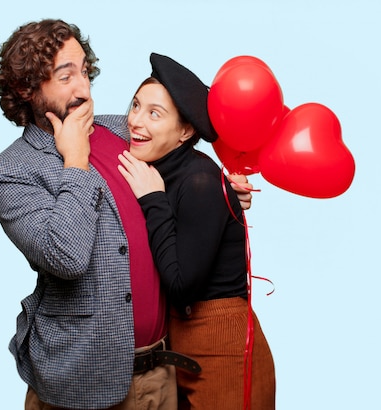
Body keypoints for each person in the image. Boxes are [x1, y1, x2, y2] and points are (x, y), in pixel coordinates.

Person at [0, 19, 253, 410]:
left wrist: (221, 193)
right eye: (65, 76)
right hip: (80, 382)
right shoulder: (10, 172)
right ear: (27, 89)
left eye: (83, 70)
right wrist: (76, 160)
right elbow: (66, 257)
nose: (83, 87)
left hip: (161, 374)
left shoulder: (120, 130)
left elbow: (179, 171)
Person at [117, 53, 275, 409]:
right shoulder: (159, 165)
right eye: (136, 105)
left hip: (224, 350)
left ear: (185, 131)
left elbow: (181, 285)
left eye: (154, 114)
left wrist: (154, 199)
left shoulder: (200, 181)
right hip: (182, 348)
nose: (135, 121)